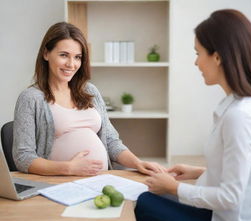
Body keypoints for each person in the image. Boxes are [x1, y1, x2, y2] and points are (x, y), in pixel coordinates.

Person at [135, 9, 251, 221]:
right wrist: (198, 172)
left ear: (218, 57)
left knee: (146, 205)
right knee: (151, 200)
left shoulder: (239, 116)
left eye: (198, 53)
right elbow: (246, 174)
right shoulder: (240, 105)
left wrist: (174, 188)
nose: (196, 62)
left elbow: (231, 197)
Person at [13, 22, 166, 176]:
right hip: (57, 183)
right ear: (46, 53)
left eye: (77, 57)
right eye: (64, 55)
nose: (71, 64)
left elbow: (111, 140)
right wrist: (68, 168)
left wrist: (138, 163)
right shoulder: (30, 98)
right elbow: (23, 157)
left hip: (100, 180)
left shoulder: (89, 91)